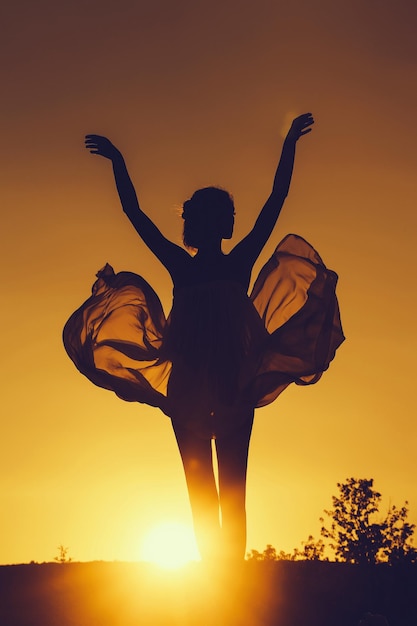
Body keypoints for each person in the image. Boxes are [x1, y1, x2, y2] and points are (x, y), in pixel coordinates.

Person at [63, 113, 344, 563]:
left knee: (230, 490)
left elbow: (276, 199)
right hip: (194, 388)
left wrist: (289, 143)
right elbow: (135, 214)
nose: (224, 221)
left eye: (224, 215)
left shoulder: (233, 263)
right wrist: (117, 161)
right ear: (203, 223)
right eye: (217, 215)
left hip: (230, 384)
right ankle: (218, 578)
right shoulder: (185, 267)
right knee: (204, 493)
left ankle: (230, 578)